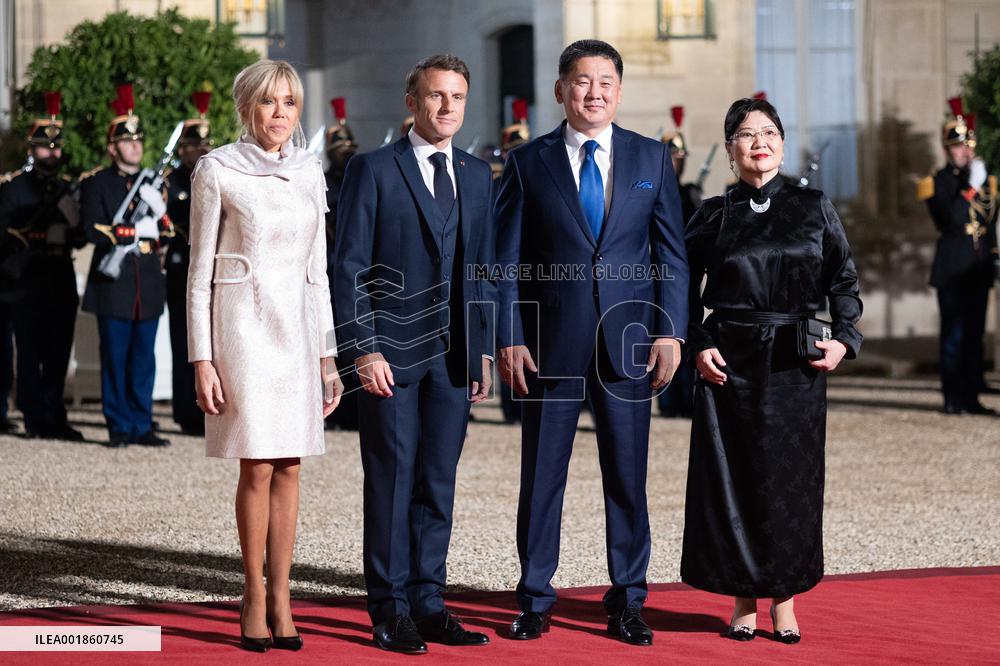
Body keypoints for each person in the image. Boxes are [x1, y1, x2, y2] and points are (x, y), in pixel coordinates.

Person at [494, 39, 689, 646]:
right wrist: (509, 336)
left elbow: (671, 257)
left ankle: (629, 600)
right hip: (550, 343)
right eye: (582, 81)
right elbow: (504, 263)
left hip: (629, 342)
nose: (594, 92)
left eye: (606, 81)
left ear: (620, 91)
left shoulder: (651, 159)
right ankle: (534, 598)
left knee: (627, 477)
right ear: (561, 91)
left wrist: (671, 331)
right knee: (542, 474)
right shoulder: (528, 163)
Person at [681, 97, 863, 643]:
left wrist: (846, 340)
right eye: (745, 133)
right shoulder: (713, 213)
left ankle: (784, 597)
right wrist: (697, 340)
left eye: (768, 132)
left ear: (782, 144)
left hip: (794, 361)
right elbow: (679, 286)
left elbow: (843, 280)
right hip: (729, 361)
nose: (758, 141)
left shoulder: (814, 206)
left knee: (791, 482)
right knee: (735, 480)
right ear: (731, 149)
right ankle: (743, 597)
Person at [334, 54, 495, 655]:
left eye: (457, 96)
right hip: (389, 360)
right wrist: (364, 348)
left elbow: (481, 270)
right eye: (435, 95)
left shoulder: (478, 176)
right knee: (391, 482)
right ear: (413, 102)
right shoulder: (372, 170)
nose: (447, 106)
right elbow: (347, 266)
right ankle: (389, 608)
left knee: (437, 484)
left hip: (454, 360)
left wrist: (480, 350)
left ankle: (430, 603)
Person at [187, 59, 343, 653]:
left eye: (291, 103)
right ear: (247, 107)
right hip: (243, 328)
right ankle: (252, 593)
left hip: (299, 330)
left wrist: (329, 355)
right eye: (270, 102)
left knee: (291, 465)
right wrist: (202, 357)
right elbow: (198, 274)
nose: (281, 114)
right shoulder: (217, 170)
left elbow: (319, 272)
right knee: (255, 462)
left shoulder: (309, 170)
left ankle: (283, 594)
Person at [81, 83, 173, 448]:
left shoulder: (153, 183)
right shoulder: (98, 184)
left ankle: (142, 423)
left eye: (138, 140)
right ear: (112, 146)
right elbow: (90, 228)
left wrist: (161, 215)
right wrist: (131, 229)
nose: (135, 145)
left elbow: (167, 233)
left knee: (143, 359)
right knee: (115, 358)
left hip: (146, 281)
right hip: (114, 283)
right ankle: (118, 425)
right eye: (127, 140)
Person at [0, 91, 85, 440]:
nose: (52, 153)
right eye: (44, 147)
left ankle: (56, 415)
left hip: (59, 275)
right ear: (32, 149)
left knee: (58, 351)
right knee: (31, 350)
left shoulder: (68, 188)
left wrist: (73, 221)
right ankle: (35, 417)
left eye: (56, 148)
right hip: (27, 278)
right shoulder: (13, 188)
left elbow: (79, 239)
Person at [918, 98, 998, 415]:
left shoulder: (981, 179)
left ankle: (972, 394)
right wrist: (970, 187)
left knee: (975, 333)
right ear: (947, 149)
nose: (965, 152)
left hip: (976, 266)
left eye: (968, 146)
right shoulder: (938, 182)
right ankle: (952, 397)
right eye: (958, 147)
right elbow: (950, 219)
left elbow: (988, 222)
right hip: (952, 266)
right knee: (953, 335)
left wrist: (993, 258)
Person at [165, 91, 214, 436]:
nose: (201, 151)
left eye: (205, 145)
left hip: (212, 267)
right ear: (182, 149)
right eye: (194, 146)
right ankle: (186, 410)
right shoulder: (172, 182)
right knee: (184, 340)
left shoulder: (213, 176)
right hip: (182, 263)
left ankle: (209, 408)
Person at [657, 104, 701, 418]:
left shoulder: (688, 194)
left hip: (686, 274)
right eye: (673, 156)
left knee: (685, 331)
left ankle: (686, 396)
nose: (677, 163)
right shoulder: (654, 189)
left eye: (680, 157)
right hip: (654, 273)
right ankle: (667, 398)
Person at [323, 96, 360, 432]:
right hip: (328, 270)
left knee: (354, 341)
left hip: (356, 273)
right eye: (340, 147)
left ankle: (353, 410)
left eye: (350, 146)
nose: (346, 152)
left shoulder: (360, 179)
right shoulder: (324, 183)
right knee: (328, 342)